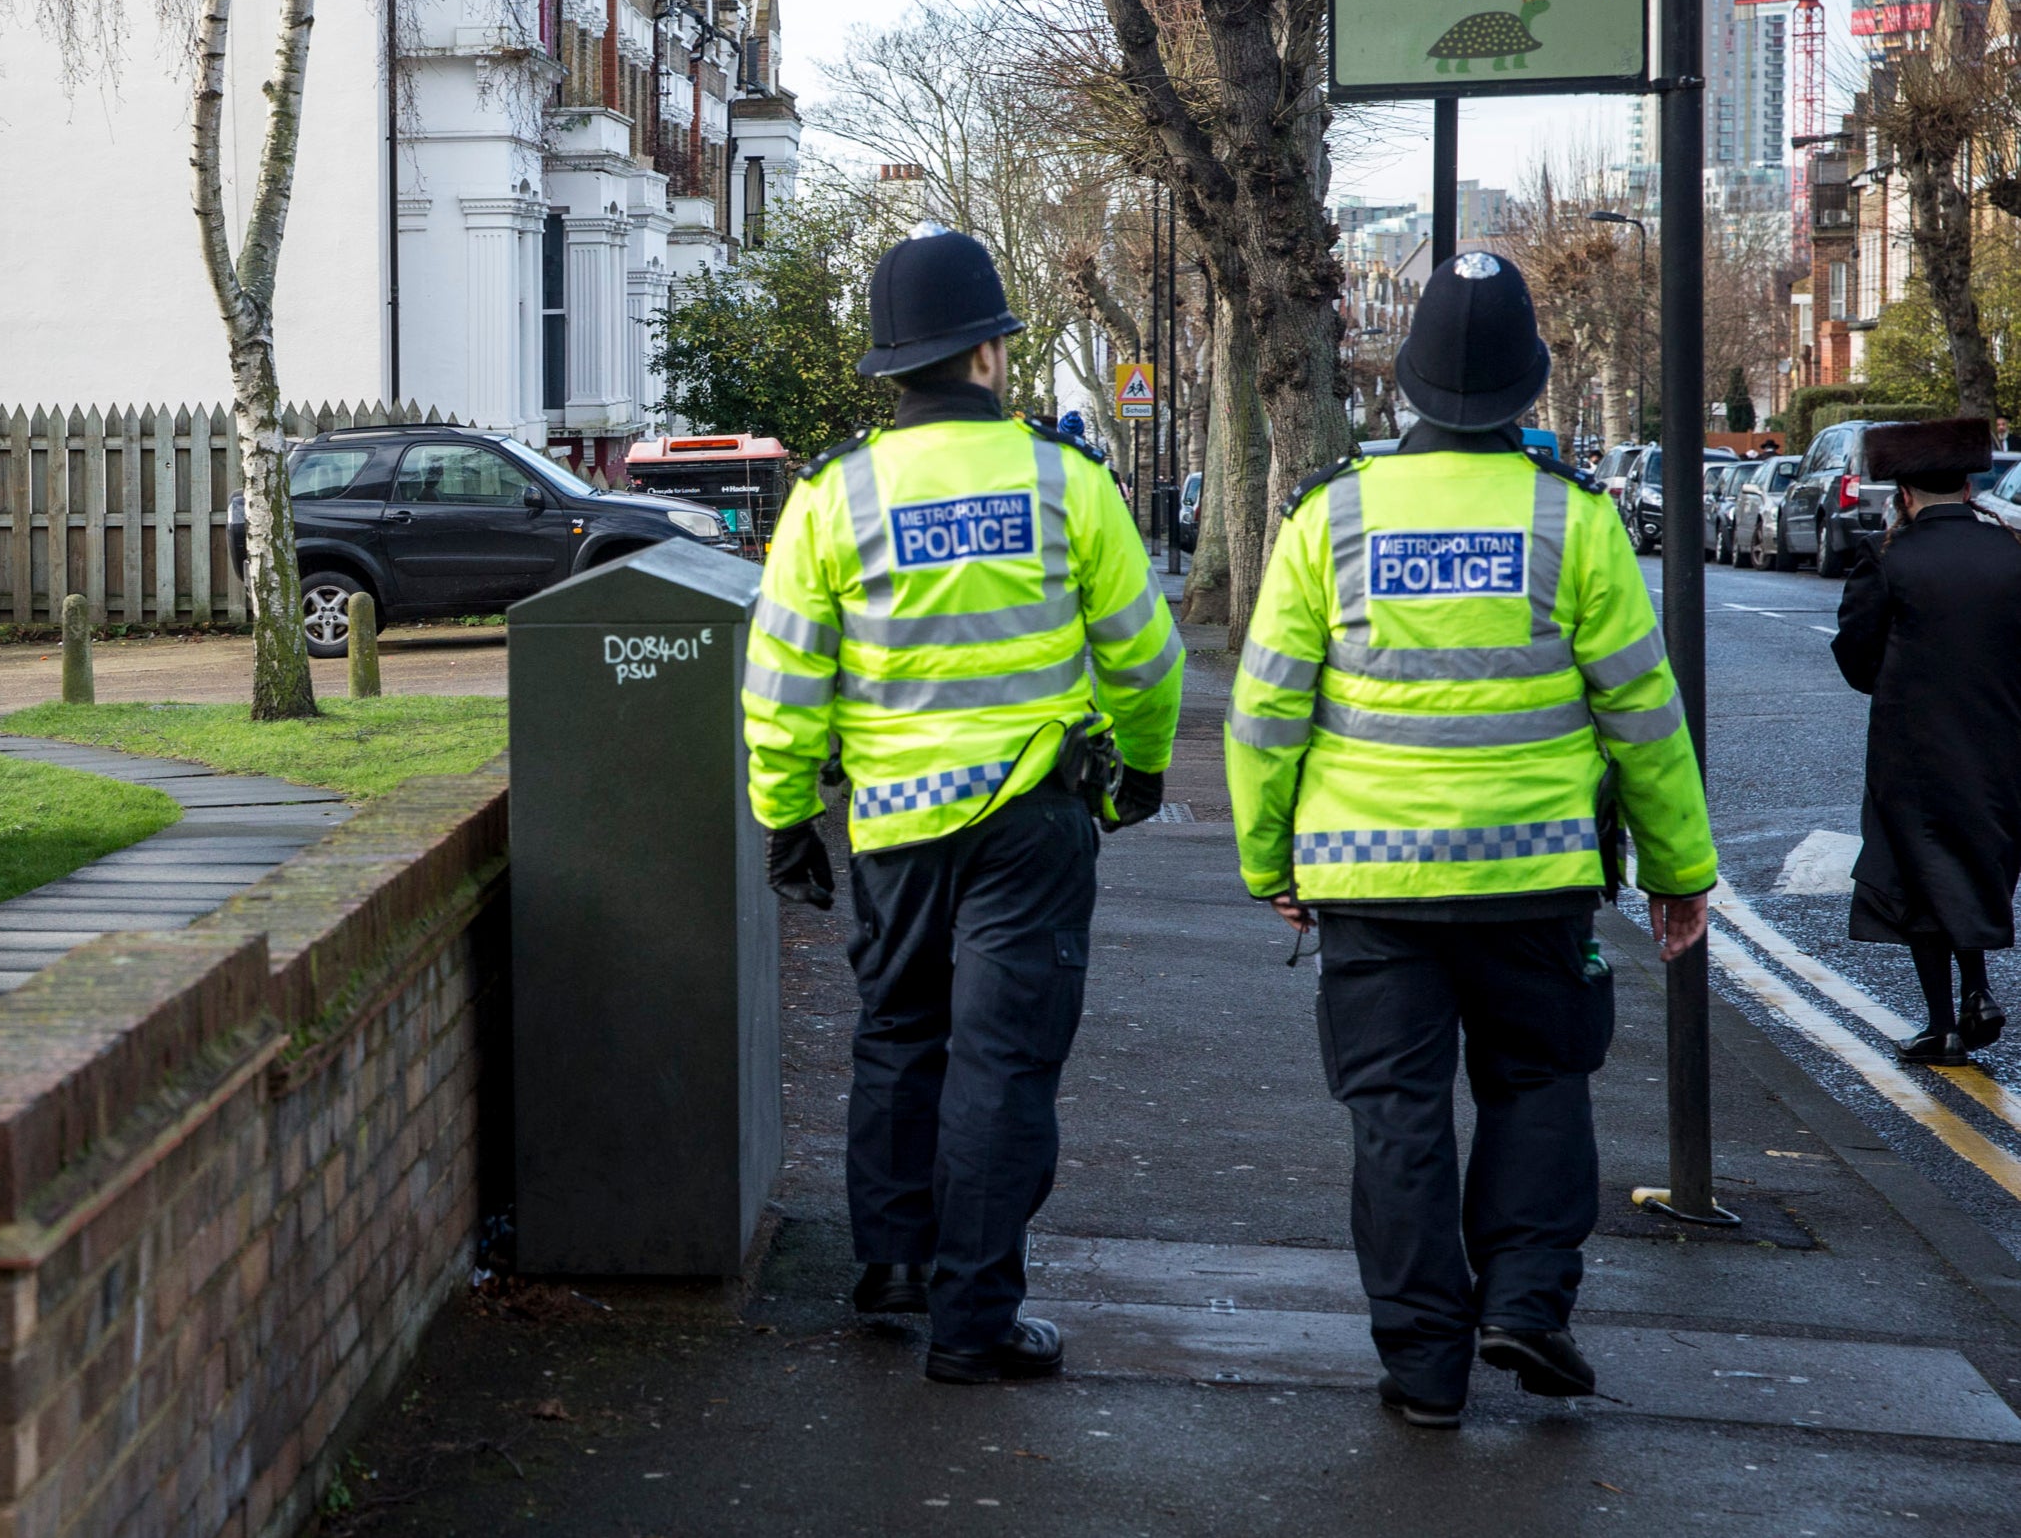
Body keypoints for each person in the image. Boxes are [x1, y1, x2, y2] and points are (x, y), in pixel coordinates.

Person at [1225, 250, 1716, 1429]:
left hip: (1368, 884)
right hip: (1534, 878)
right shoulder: (1578, 522)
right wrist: (1680, 869)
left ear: (1405, 383)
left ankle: (1424, 1368)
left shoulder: (1328, 518)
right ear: (1531, 385)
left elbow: (1265, 713)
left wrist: (1267, 861)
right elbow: (1645, 719)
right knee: (1540, 1084)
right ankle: (1528, 1306)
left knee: (1394, 1117)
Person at [743, 230, 1183, 1385]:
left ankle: (893, 1263)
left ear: (892, 367)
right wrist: (1140, 772)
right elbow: (1146, 661)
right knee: (1001, 1062)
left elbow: (783, 677)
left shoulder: (833, 496)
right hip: (1033, 818)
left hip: (894, 823)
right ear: (988, 353)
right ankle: (975, 1317)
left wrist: (787, 816)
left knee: (896, 1034)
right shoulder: (1064, 480)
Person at [1831, 417, 2021, 1065]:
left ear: (1904, 494)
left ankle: (1945, 1020)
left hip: (1910, 752)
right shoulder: (2013, 553)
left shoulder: (1887, 557)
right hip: (2002, 748)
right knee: (1970, 865)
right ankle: (1975, 993)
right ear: (1969, 488)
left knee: (1915, 876)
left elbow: (1855, 658)